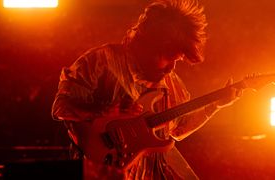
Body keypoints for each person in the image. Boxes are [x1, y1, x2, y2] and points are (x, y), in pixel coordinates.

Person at [51, 0, 241, 179]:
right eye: (168, 57)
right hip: (103, 172)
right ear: (148, 43)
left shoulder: (170, 82)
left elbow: (178, 129)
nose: (171, 68)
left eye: (177, 60)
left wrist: (213, 106)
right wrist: (104, 111)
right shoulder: (100, 61)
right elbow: (61, 107)